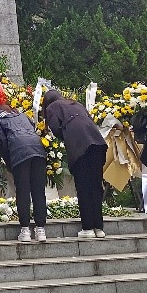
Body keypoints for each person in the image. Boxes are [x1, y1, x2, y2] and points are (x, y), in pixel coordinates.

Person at [42, 90, 107, 238]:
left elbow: (55, 128)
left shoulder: (52, 107)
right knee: (96, 186)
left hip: (80, 146)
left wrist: (67, 136)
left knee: (83, 186)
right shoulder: (76, 104)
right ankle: (99, 227)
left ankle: (88, 228)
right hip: (98, 143)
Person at [0, 104, 48, 242]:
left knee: (23, 191)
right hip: (38, 150)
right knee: (39, 191)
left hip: (19, 152)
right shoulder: (23, 115)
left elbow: (2, 143)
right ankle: (41, 230)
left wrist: (10, 163)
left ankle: (25, 230)